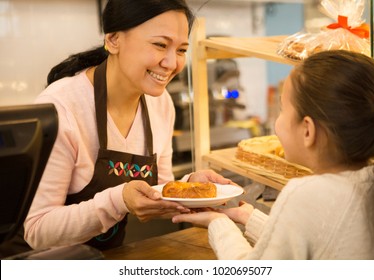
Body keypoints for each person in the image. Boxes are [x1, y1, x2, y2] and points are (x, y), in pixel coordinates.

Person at [22, 0, 232, 252]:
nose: (171, 63)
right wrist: (118, 200)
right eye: (160, 45)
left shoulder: (160, 103)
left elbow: (158, 194)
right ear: (113, 40)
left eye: (181, 50)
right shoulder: (63, 107)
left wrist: (191, 187)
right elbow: (36, 231)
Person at [173, 50, 374, 260]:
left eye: (282, 109)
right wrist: (248, 217)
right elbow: (321, 239)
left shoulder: (307, 193)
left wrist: (217, 222)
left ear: (307, 131)